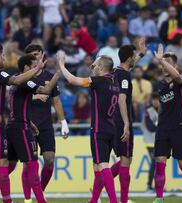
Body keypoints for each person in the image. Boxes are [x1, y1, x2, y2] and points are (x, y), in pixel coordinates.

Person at [0, 44, 46, 203]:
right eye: (3, 56)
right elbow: (17, 80)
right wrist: (37, 68)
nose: (5, 59)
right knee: (3, 164)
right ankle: (7, 200)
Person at [58, 53, 119, 203]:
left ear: (101, 67)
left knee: (103, 165)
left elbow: (72, 80)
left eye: (96, 64)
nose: (93, 66)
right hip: (112, 127)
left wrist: (61, 65)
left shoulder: (98, 81)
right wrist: (95, 66)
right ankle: (93, 200)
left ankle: (113, 201)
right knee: (97, 167)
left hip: (99, 129)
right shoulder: (114, 81)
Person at [94, 39, 147, 203]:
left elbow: (130, 63)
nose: (135, 58)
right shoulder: (124, 75)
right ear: (129, 58)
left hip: (110, 121)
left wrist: (141, 53)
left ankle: (100, 187)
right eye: (134, 56)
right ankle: (123, 200)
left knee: (123, 159)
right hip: (121, 119)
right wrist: (126, 123)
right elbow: (122, 99)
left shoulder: (117, 71)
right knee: (125, 160)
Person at [7, 53, 61, 203]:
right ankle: (37, 200)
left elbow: (18, 106)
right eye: (33, 65)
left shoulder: (15, 80)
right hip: (20, 128)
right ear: (26, 67)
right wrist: (58, 71)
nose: (35, 68)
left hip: (15, 125)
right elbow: (45, 90)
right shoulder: (25, 81)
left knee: (6, 168)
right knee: (32, 165)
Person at [153, 45, 182, 203]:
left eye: (168, 62)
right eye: (162, 63)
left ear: (175, 66)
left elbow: (177, 76)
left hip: (179, 127)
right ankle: (159, 198)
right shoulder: (160, 85)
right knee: (160, 162)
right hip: (163, 129)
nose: (164, 65)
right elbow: (160, 108)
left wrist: (162, 60)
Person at [24, 44, 69, 193]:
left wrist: (63, 123)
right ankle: (28, 198)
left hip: (45, 125)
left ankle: (39, 193)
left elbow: (56, 101)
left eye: (37, 54)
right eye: (31, 55)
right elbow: (13, 95)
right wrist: (34, 96)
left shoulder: (49, 77)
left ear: (42, 55)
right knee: (29, 164)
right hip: (27, 124)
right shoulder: (23, 76)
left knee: (49, 160)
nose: (35, 58)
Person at [142, 92, 160, 192]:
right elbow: (150, 127)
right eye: (154, 100)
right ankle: (149, 186)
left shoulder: (162, 110)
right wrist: (161, 126)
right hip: (150, 142)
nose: (156, 102)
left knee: (158, 163)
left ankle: (158, 185)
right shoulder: (149, 111)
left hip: (159, 141)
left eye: (157, 99)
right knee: (154, 162)